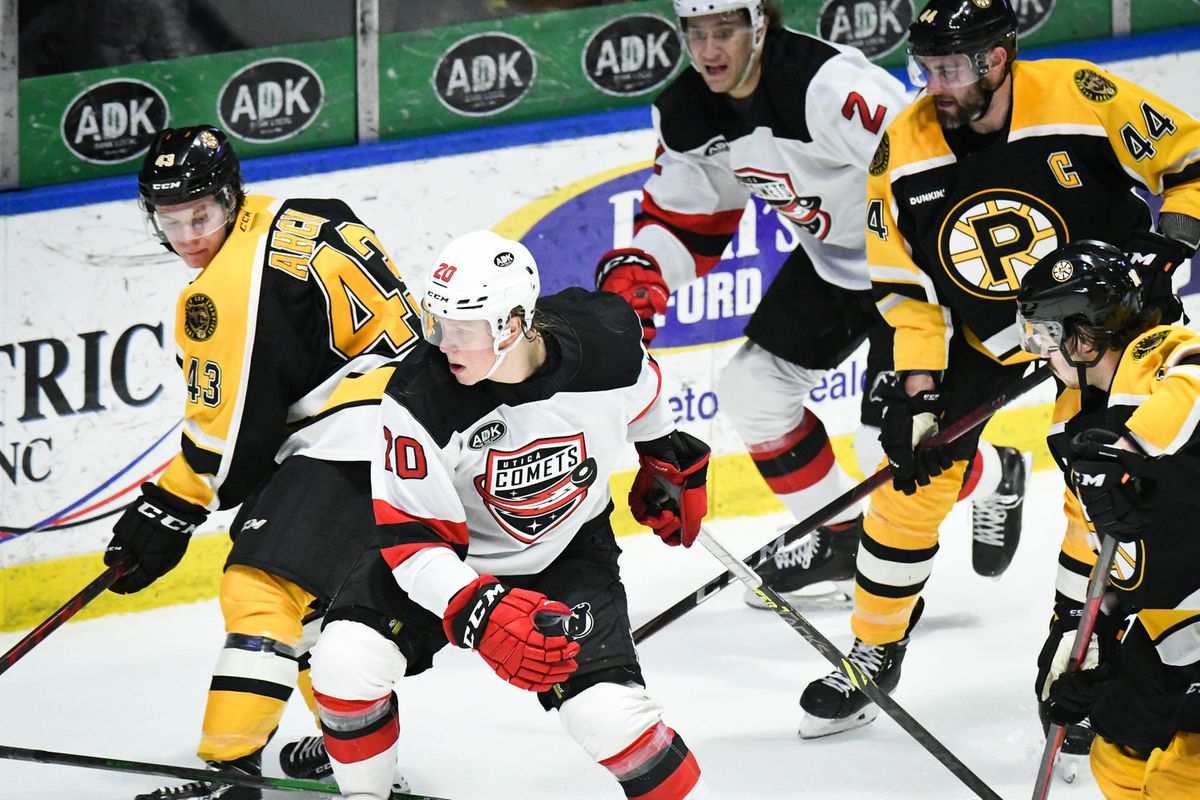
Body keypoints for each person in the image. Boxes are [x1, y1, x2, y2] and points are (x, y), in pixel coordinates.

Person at [801, 0, 1200, 739]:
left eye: (950, 67)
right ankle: (874, 647)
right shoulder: (906, 145)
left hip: (1113, 328)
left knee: (1105, 494)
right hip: (988, 335)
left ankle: (1081, 657)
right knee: (908, 484)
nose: (934, 85)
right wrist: (917, 386)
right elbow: (906, 288)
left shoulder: (1080, 94)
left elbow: (1190, 161)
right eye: (926, 68)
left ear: (998, 56)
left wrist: (1169, 248)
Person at [595, 0, 1030, 614]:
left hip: (913, 260)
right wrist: (641, 276)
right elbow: (690, 216)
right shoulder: (688, 110)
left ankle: (991, 473)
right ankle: (839, 537)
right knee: (752, 389)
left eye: (725, 30)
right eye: (697, 32)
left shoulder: (828, 88)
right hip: (833, 260)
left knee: (889, 442)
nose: (710, 49)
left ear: (760, 24)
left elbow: (938, 155)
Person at [307, 230, 711, 799]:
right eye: (437, 324)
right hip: (453, 559)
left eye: (463, 330)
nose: (445, 344)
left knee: (612, 719)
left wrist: (662, 454)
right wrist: (482, 610)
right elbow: (414, 541)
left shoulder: (607, 339)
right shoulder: (421, 398)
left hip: (567, 554)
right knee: (344, 663)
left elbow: (642, 393)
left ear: (514, 324)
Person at [104, 125, 422, 798]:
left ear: (230, 196)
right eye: (172, 219)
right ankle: (353, 749)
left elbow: (231, 451)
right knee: (313, 610)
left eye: (204, 214)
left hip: (359, 434)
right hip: (416, 426)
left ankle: (230, 772)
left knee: (261, 586)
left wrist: (164, 512)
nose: (190, 235)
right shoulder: (307, 213)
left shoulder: (219, 293)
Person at [1016, 239, 1200, 797]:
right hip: (1176, 620)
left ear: (1085, 333)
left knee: (1182, 774)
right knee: (1116, 756)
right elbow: (1088, 536)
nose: (1039, 351)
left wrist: (1127, 449)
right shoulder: (1068, 420)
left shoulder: (1162, 352)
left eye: (1047, 335)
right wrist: (1079, 629)